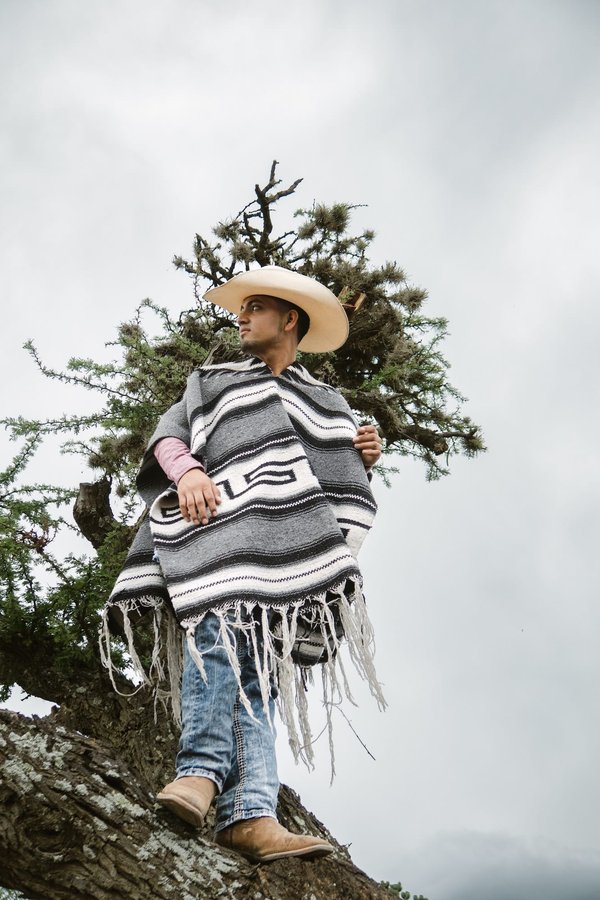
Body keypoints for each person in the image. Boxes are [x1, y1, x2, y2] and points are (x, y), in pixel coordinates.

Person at [103, 266, 383, 863]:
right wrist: (191, 472)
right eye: (242, 306)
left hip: (280, 552)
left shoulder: (325, 402)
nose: (241, 315)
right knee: (216, 638)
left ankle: (250, 813)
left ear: (289, 320)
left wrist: (362, 452)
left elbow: (331, 477)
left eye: (256, 307)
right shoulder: (211, 382)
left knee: (258, 672)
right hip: (217, 535)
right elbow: (168, 439)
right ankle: (199, 775)